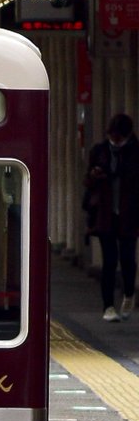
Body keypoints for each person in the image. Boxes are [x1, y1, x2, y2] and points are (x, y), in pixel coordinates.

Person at [84, 113, 139, 321]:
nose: (114, 141)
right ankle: (108, 306)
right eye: (112, 137)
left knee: (127, 259)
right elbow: (87, 182)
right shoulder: (99, 151)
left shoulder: (135, 153)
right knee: (109, 261)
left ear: (127, 135)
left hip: (129, 215)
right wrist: (94, 176)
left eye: (118, 138)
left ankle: (128, 294)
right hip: (106, 215)